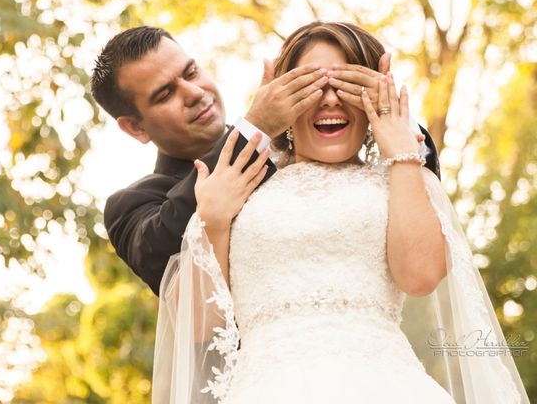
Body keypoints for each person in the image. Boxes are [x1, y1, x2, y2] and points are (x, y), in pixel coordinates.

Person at [152, 22, 529, 403]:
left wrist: (401, 150)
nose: (330, 100)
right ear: (280, 98)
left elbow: (420, 277)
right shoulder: (238, 185)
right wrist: (212, 220)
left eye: (346, 85)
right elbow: (198, 324)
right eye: (311, 85)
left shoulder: (401, 179)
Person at [90, 26, 441, 296]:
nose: (195, 93)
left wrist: (392, 117)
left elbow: (406, 203)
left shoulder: (300, 146)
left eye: (192, 72)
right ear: (135, 127)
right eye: (165, 93)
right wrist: (254, 127)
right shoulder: (130, 207)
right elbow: (175, 262)